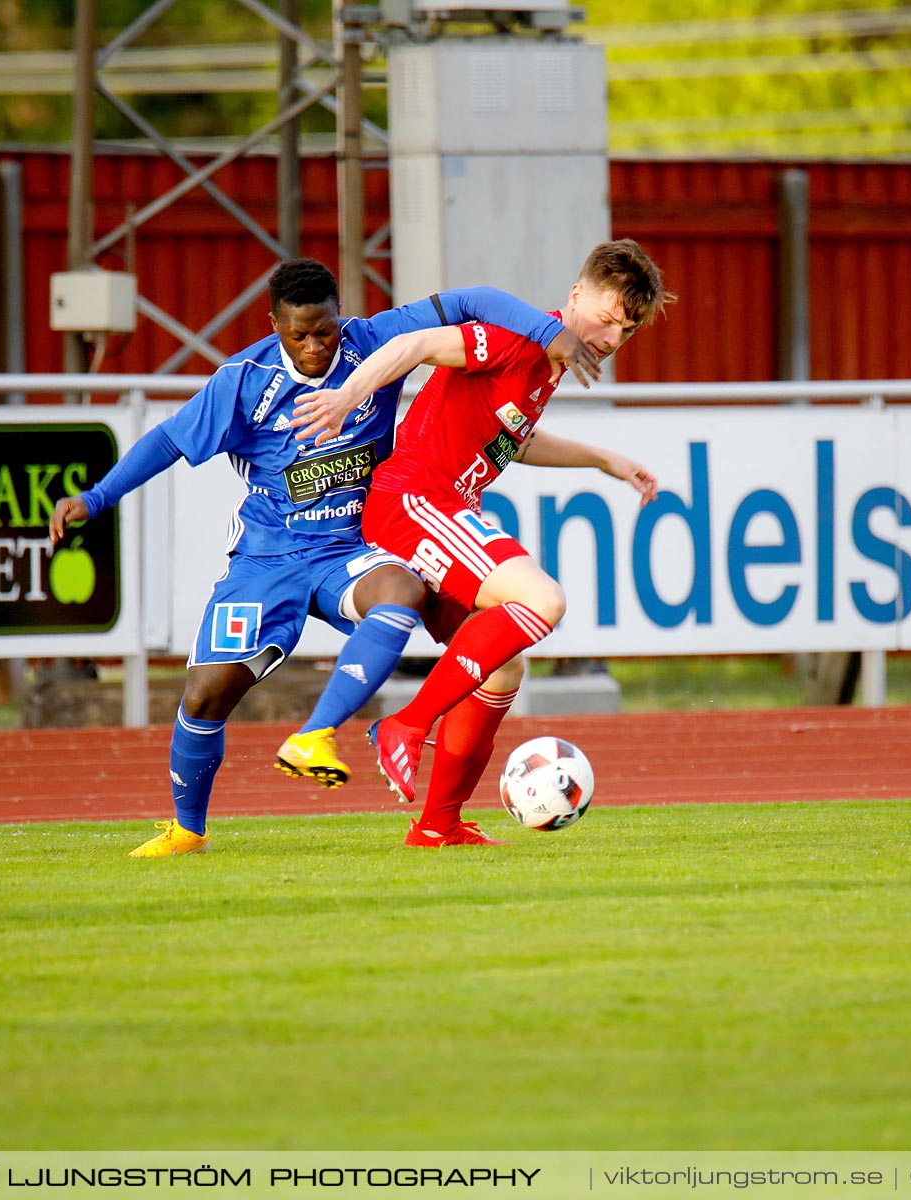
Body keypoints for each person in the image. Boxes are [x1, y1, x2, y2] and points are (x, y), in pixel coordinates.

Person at [49, 258, 598, 857]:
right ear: (275, 325)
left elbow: (473, 297)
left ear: (341, 317)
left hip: (352, 547)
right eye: (298, 335)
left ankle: (329, 743)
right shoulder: (244, 380)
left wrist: (551, 333)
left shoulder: (369, 342)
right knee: (206, 695)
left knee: (407, 594)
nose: (314, 347)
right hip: (269, 557)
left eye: (325, 331)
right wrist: (96, 496)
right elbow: (169, 441)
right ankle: (187, 830)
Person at [291, 239, 674, 846]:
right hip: (416, 500)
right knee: (544, 600)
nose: (608, 338)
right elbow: (413, 345)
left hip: (440, 506)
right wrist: (344, 398)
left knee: (503, 667)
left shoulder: (546, 368)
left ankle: (438, 824)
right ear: (576, 295)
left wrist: (603, 459)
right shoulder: (521, 339)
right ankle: (407, 726)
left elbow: (512, 442)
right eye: (604, 319)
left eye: (623, 331)